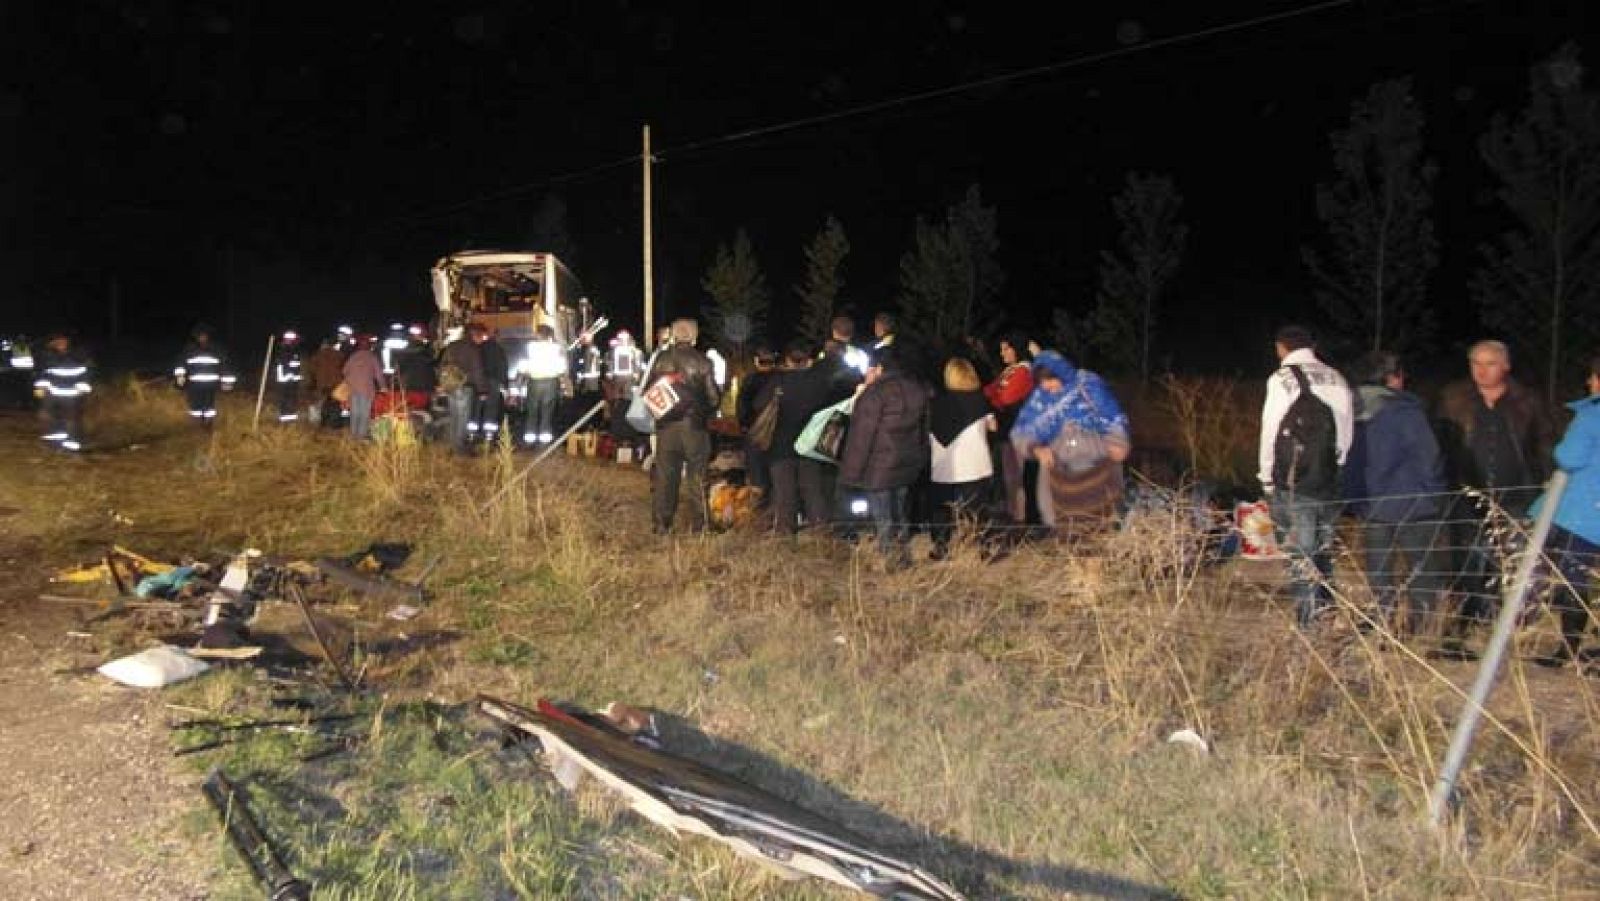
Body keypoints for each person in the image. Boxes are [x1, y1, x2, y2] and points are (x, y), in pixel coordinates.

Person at [1435, 339, 1558, 637]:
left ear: (1505, 366)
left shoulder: (1527, 401)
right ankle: (1471, 617)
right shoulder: (1454, 398)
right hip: (1467, 495)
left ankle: (1517, 624)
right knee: (1471, 559)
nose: (1482, 370)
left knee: (1516, 560)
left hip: (1517, 494)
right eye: (1476, 363)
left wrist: (1548, 481)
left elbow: (1544, 443)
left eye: (1490, 363)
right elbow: (1441, 444)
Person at [1342, 351, 1448, 638]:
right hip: (1412, 501)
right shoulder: (1405, 410)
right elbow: (1429, 455)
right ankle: (1423, 627)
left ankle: (1383, 621)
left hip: (1370, 502)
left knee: (1378, 568)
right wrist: (1434, 494)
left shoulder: (1348, 408)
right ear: (1393, 378)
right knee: (1421, 569)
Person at [1257, 325, 1354, 628]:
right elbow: (1346, 433)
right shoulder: (1337, 377)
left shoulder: (1282, 379)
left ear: (1280, 347)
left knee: (1300, 555)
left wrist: (1266, 477)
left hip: (1293, 480)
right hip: (1328, 479)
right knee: (1323, 551)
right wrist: (1337, 466)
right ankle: (1326, 613)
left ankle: (1308, 625)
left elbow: (1270, 430)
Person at [1012, 350, 1132, 540]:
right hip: (1060, 474)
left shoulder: (1090, 388)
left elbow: (1113, 417)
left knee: (1099, 528)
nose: (1048, 387)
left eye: (1051, 381)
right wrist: (1035, 448)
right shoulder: (1039, 400)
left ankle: (1095, 564)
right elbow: (1022, 432)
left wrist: (1118, 442)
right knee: (1065, 529)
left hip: (1096, 470)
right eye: (1043, 384)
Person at [1527, 355, 1600, 667]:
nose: (1590, 382)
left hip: (1583, 513)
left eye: (1594, 376)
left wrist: (1559, 447)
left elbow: (1569, 457)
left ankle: (1568, 648)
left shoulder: (1591, 417)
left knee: (1572, 578)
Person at [839, 345, 930, 567]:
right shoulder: (917, 390)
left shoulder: (875, 394)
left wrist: (850, 474)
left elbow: (861, 437)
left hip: (879, 466)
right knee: (900, 513)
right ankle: (903, 558)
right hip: (907, 463)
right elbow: (924, 430)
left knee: (883, 518)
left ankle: (889, 561)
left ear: (879, 368)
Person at [644, 318, 720, 534]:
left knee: (665, 476)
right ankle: (701, 525)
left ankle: (661, 524)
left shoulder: (660, 359)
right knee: (697, 476)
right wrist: (704, 412)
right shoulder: (703, 362)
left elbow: (648, 390)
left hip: (666, 426)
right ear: (694, 337)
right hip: (694, 427)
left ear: (674, 336)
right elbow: (713, 398)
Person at [759, 341, 834, 534]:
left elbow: (759, 406)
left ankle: (785, 535)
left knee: (784, 495)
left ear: (787, 360)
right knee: (813, 492)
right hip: (810, 446)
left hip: (781, 446)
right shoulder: (820, 384)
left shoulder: (778, 382)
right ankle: (821, 533)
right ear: (809, 360)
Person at [930, 357, 996, 558]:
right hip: (975, 464)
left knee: (942, 508)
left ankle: (941, 546)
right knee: (976, 508)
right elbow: (994, 427)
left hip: (944, 464)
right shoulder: (981, 401)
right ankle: (981, 548)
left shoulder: (937, 403)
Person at [983, 331, 1035, 523]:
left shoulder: (1023, 371)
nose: (1002, 353)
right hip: (1007, 431)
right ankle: (1014, 515)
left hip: (1017, 432)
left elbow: (1005, 398)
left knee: (1015, 478)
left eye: (1006, 349)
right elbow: (989, 391)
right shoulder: (1010, 371)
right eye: (1001, 349)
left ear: (1017, 349)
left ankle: (1020, 520)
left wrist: (993, 397)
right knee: (1008, 476)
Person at [33, 331, 92, 452]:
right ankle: (55, 443)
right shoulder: (46, 355)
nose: (61, 343)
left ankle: (71, 445)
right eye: (58, 341)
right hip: (52, 392)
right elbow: (41, 372)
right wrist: (40, 387)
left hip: (72, 394)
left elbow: (87, 372)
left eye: (63, 340)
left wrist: (83, 387)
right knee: (47, 416)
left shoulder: (79, 354)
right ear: (52, 343)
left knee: (71, 420)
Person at [736, 347, 778, 501]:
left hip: (755, 433)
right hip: (778, 434)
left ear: (756, 361)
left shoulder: (750, 381)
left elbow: (742, 408)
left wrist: (744, 426)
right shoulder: (781, 379)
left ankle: (757, 508)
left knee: (757, 475)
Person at [174, 324, 236, 426]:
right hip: (194, 385)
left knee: (209, 406)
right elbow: (181, 364)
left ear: (208, 336)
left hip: (210, 385)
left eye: (204, 335)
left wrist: (227, 383)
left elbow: (224, 366)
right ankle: (196, 425)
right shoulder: (190, 350)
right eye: (200, 335)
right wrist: (180, 377)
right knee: (195, 406)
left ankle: (208, 424)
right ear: (196, 337)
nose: (203, 337)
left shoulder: (216, 350)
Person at [440, 324, 486, 453]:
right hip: (465, 387)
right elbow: (478, 371)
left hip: (451, 386)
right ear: (474, 334)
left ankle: (453, 445)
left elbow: (442, 365)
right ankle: (460, 447)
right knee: (463, 418)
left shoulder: (452, 346)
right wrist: (482, 389)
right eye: (481, 336)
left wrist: (444, 383)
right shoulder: (472, 349)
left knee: (454, 416)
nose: (482, 339)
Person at [520, 324, 566, 445]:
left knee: (532, 411)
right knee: (547, 412)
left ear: (538, 334)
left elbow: (523, 366)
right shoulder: (556, 348)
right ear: (550, 335)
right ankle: (544, 441)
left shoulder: (530, 347)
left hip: (534, 382)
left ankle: (529, 441)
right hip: (550, 383)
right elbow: (561, 368)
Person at [342, 334, 385, 440]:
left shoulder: (353, 356)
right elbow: (378, 374)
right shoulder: (372, 357)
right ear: (369, 346)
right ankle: (361, 436)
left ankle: (353, 435)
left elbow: (344, 371)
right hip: (367, 389)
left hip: (352, 388)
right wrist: (383, 386)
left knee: (355, 412)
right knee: (364, 412)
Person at [306, 337, 347, 428]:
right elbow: (344, 369)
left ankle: (322, 423)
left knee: (322, 402)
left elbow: (311, 370)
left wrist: (313, 383)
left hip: (322, 384)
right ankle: (335, 424)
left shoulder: (317, 355)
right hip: (336, 384)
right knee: (335, 404)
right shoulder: (339, 355)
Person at [272, 330, 305, 424]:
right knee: (285, 400)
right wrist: (289, 376)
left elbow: (296, 366)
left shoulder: (294, 350)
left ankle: (290, 419)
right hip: (285, 379)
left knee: (291, 400)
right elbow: (283, 365)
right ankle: (285, 419)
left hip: (292, 380)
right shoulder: (283, 350)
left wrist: (298, 377)